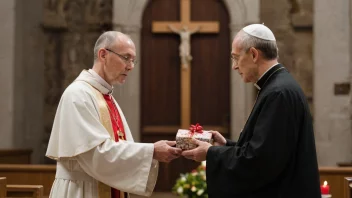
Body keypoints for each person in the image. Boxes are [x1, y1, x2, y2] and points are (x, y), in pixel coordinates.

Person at [182, 24, 321, 197]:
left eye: (235, 57)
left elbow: (261, 161)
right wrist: (227, 145)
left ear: (254, 54)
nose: (234, 66)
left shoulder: (278, 93)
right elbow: (266, 148)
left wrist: (211, 153)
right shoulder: (277, 86)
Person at [46, 31, 182, 198]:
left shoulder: (106, 96)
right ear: (103, 54)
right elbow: (95, 155)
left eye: (133, 60)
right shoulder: (78, 94)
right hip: (82, 191)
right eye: (126, 58)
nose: (131, 66)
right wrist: (152, 151)